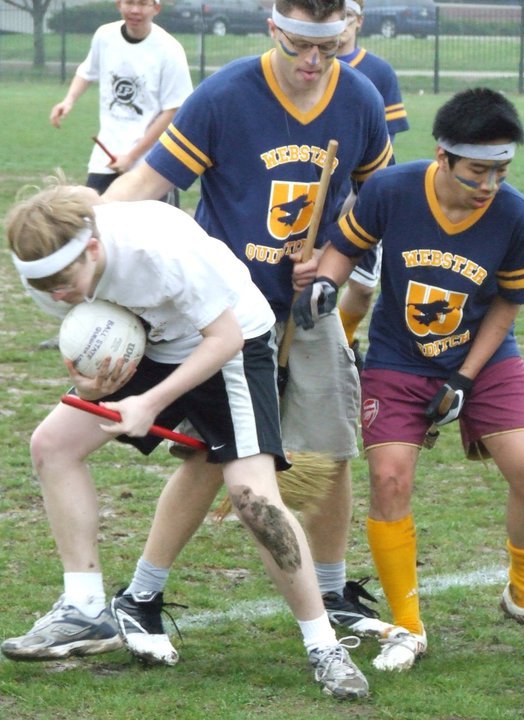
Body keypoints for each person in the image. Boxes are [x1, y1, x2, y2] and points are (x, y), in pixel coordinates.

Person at [101, 0, 394, 660]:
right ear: (273, 29)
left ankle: (332, 590)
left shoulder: (360, 99)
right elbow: (148, 181)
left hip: (309, 306)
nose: (313, 62)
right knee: (215, 455)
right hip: (225, 311)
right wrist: (87, 234)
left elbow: (376, 201)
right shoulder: (225, 95)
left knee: (331, 447)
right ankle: (141, 594)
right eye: (298, 46)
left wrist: (333, 260)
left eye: (327, 48)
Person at [2, 183, 370, 701]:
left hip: (232, 343)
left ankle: (324, 646)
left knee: (254, 499)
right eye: (48, 287)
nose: (57, 296)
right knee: (52, 446)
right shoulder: (50, 264)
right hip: (154, 338)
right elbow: (79, 205)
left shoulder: (158, 250)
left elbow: (225, 338)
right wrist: (92, 387)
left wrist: (149, 403)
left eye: (65, 284)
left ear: (93, 248)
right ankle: (84, 610)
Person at [292, 87, 524, 670]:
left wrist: (465, 378)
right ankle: (406, 626)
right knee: (389, 480)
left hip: (485, 357)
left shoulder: (517, 216)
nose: (489, 184)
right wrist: (325, 284)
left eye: (501, 171)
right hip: (398, 358)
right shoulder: (391, 189)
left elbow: (509, 303)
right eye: (477, 171)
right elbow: (344, 247)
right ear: (442, 156)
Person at [49, 0, 192, 195]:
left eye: (143, 4)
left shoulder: (170, 50)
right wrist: (69, 100)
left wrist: (132, 157)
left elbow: (173, 111)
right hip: (105, 158)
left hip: (149, 165)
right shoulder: (105, 36)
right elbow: (87, 71)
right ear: (118, 4)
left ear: (156, 8)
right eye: (129, 2)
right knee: (95, 212)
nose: (135, 10)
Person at [337, 0, 410, 369]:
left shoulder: (379, 72)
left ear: (360, 22)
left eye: (348, 16)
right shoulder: (304, 67)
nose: (341, 24)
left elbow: (385, 148)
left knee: (363, 288)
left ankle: (343, 341)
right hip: (314, 195)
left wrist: (359, 196)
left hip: (361, 197)